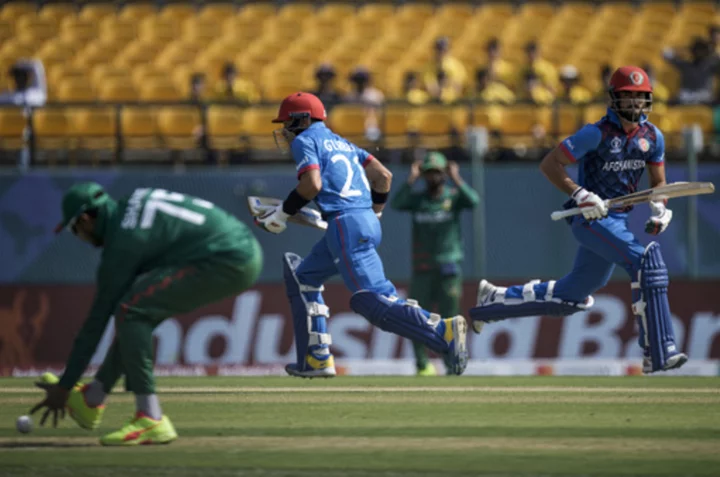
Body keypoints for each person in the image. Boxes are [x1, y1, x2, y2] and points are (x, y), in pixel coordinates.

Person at [469, 66, 688, 374]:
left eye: (640, 97)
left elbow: (659, 183)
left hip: (618, 221)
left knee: (572, 296)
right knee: (645, 261)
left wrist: (660, 208)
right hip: (590, 219)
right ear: (614, 99)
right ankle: (658, 351)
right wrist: (581, 193)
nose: (635, 104)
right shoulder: (596, 133)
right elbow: (550, 164)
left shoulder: (653, 137)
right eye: (628, 97)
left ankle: (493, 301)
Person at [254, 92, 469, 378]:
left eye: (286, 123)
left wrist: (281, 214)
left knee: (372, 299)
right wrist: (375, 212)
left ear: (301, 120)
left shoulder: (306, 139)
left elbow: (312, 184)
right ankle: (316, 358)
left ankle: (444, 330)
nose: (284, 130)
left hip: (345, 225)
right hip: (363, 218)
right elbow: (384, 176)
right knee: (303, 279)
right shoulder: (344, 143)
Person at [30, 183, 263, 444]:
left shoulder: (122, 245)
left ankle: (150, 417)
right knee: (136, 313)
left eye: (75, 229)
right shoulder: (131, 203)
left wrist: (64, 386)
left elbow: (95, 323)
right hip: (240, 249)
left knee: (132, 312)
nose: (79, 236)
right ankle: (91, 398)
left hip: (226, 259)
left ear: (85, 219)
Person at [391, 152, 479, 376]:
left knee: (451, 320)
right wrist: (411, 179)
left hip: (448, 268)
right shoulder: (418, 200)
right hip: (422, 269)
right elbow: (397, 203)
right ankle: (422, 365)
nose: (432, 178)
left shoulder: (453, 196)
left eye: (437, 173)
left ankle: (452, 364)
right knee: (416, 318)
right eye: (428, 173)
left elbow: (474, 201)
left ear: (444, 174)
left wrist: (457, 178)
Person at [663, 37, 719, 104]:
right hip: (685, 96)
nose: (699, 52)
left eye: (702, 50)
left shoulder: (711, 65)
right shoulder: (685, 64)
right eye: (697, 49)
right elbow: (665, 53)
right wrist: (685, 48)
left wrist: (712, 52)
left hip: (704, 97)